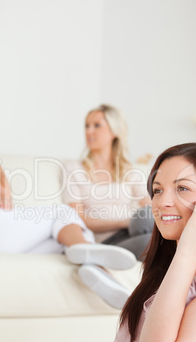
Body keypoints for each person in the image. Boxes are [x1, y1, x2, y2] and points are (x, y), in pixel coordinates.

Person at [0, 90, 137, 309]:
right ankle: (93, 258)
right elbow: (3, 196)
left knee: (62, 241)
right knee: (64, 213)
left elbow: (3, 199)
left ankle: (102, 277)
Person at [96, 142, 196, 342]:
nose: (162, 203)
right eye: (158, 190)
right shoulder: (164, 275)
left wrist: (187, 252)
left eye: (182, 188)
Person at [62, 104, 154, 298]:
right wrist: (126, 221)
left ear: (114, 131)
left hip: (133, 230)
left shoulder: (129, 170)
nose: (89, 131)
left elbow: (151, 207)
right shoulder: (74, 169)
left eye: (97, 125)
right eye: (87, 126)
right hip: (107, 243)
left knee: (148, 217)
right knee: (150, 240)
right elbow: (78, 219)